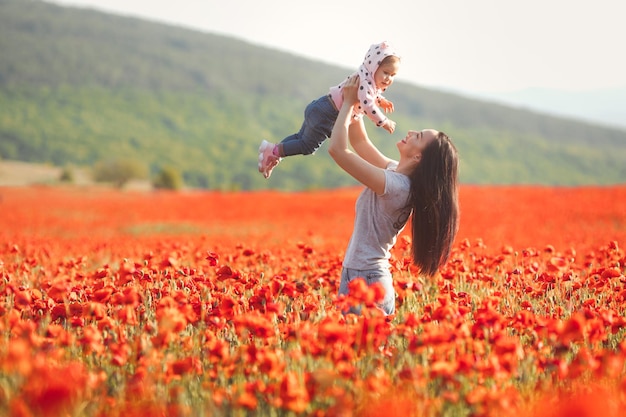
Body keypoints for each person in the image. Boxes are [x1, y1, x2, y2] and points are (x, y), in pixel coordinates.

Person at [328, 74, 460, 316]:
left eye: (417, 137)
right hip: (363, 276)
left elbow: (338, 151)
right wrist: (361, 96)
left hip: (367, 282)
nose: (410, 132)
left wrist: (347, 104)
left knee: (361, 352)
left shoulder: (396, 187)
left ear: (418, 157)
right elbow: (359, 141)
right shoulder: (396, 175)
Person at [258, 41, 401, 179]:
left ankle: (274, 153)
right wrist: (384, 121)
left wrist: (381, 100)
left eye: (393, 75)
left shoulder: (365, 77)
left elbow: (368, 96)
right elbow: (367, 104)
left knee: (299, 138)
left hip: (321, 106)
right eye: (386, 73)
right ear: (374, 67)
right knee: (307, 146)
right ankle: (273, 150)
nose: (389, 79)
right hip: (327, 115)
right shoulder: (365, 82)